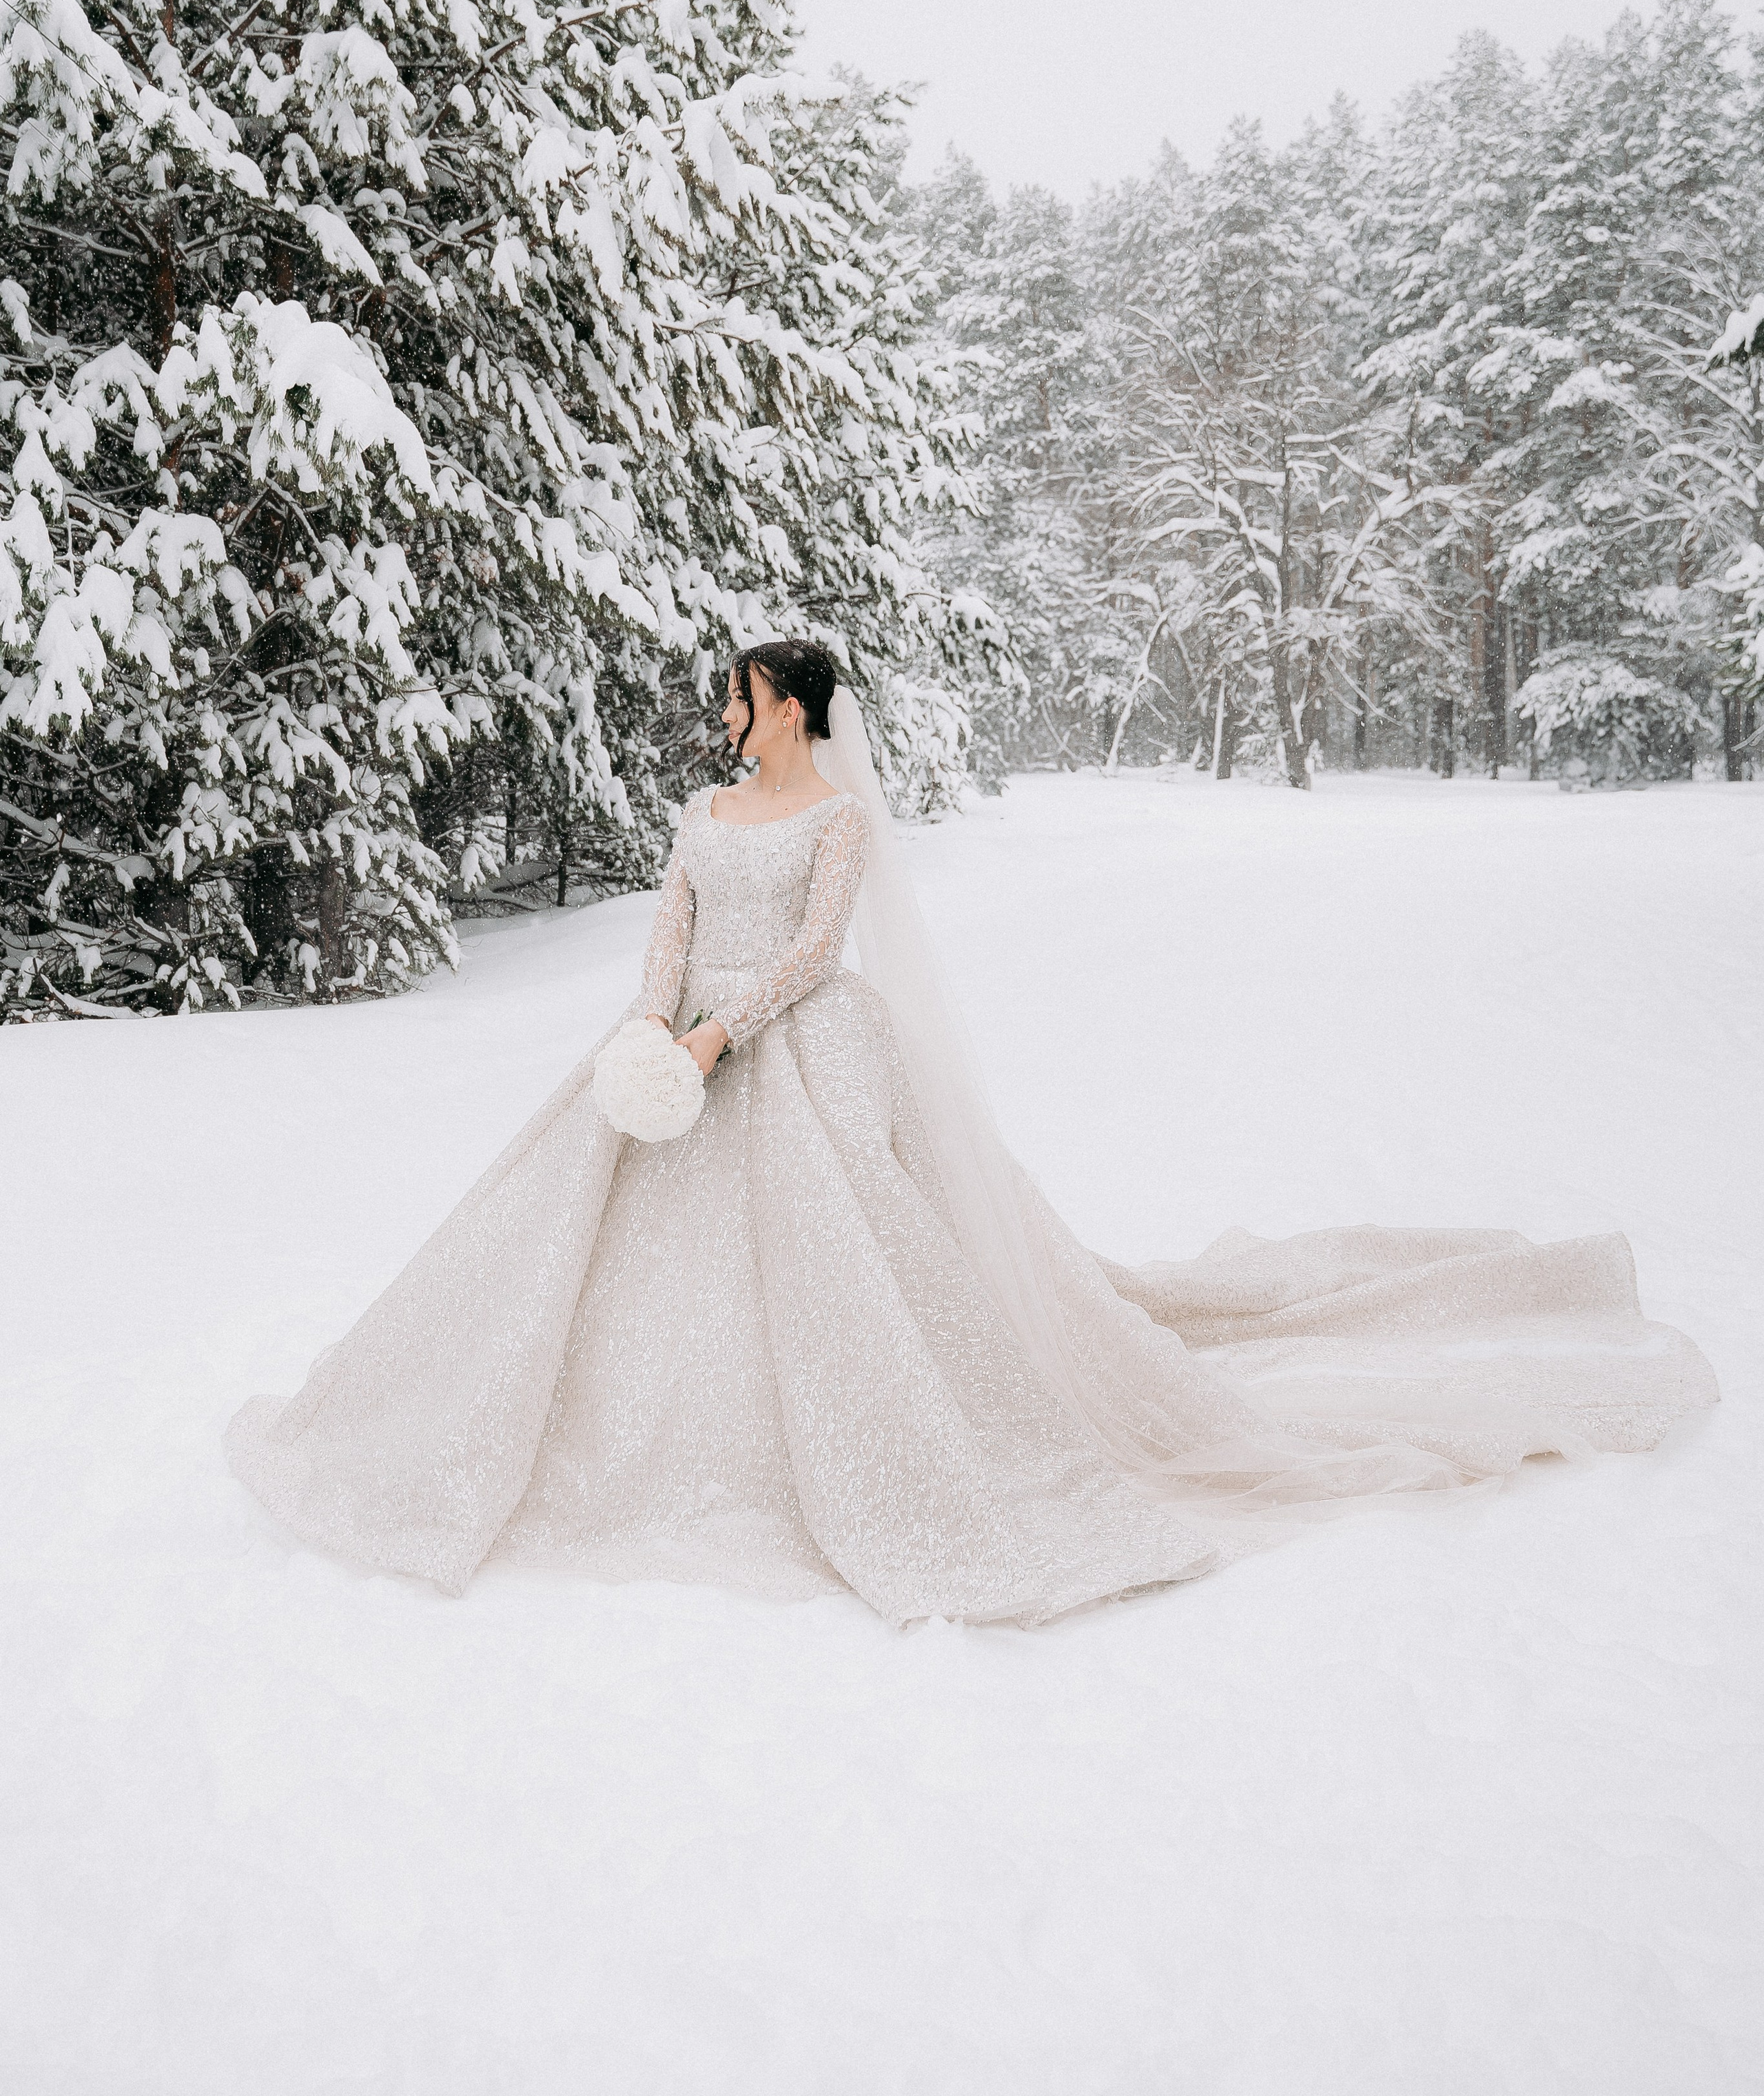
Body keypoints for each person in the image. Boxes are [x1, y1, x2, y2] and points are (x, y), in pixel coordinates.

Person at [228, 639, 1717, 1621]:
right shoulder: (698, 810)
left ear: (794, 708)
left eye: (743, 697)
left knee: (846, 1246)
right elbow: (669, 935)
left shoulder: (838, 820)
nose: (725, 717)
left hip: (802, 1049)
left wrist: (718, 1034)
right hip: (669, 1052)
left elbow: (815, 951)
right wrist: (653, 1031)